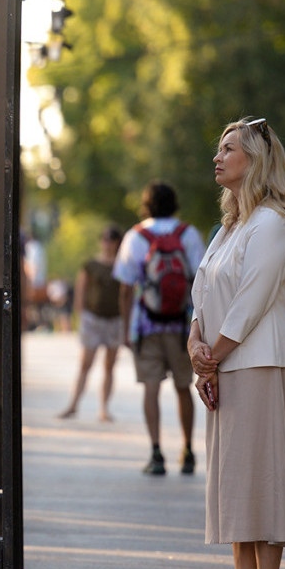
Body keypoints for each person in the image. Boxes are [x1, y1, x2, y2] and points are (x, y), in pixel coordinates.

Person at [187, 117, 285, 569]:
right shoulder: (231, 225)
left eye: (228, 148)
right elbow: (203, 294)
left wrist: (209, 356)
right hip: (225, 363)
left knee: (263, 483)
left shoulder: (273, 223)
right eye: (218, 147)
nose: (217, 157)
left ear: (255, 160)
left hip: (258, 363)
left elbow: (252, 301)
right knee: (236, 486)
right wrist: (195, 341)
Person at [113, 181, 206, 475]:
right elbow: (202, 283)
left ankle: (156, 453)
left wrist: (126, 329)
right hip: (181, 326)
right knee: (183, 387)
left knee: (151, 388)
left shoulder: (136, 236)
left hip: (146, 324)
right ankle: (188, 450)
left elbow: (126, 288)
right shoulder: (188, 234)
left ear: (146, 205)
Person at [60, 224, 123, 421]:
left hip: (115, 318)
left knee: (109, 365)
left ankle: (104, 408)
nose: (106, 243)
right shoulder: (91, 264)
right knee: (85, 364)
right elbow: (81, 290)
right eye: (104, 239)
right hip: (93, 318)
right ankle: (73, 405)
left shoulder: (123, 264)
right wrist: (80, 316)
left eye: (110, 240)